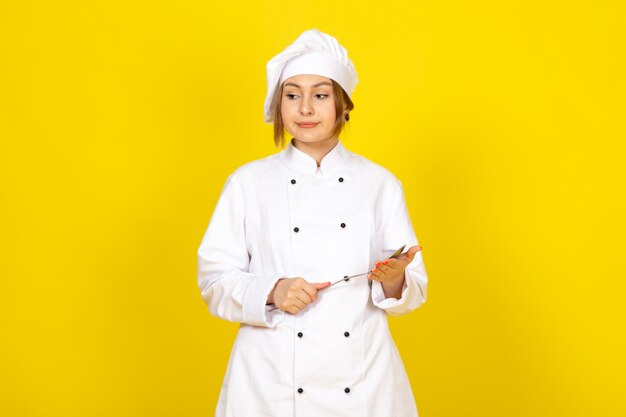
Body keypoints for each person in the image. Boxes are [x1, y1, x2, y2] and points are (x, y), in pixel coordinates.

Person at [197, 28, 429, 417]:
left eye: (320, 95)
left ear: (342, 105)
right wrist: (272, 290)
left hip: (363, 379)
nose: (305, 109)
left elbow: (411, 287)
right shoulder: (247, 183)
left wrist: (393, 278)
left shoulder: (380, 184)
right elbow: (214, 279)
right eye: (292, 95)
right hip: (269, 382)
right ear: (279, 105)